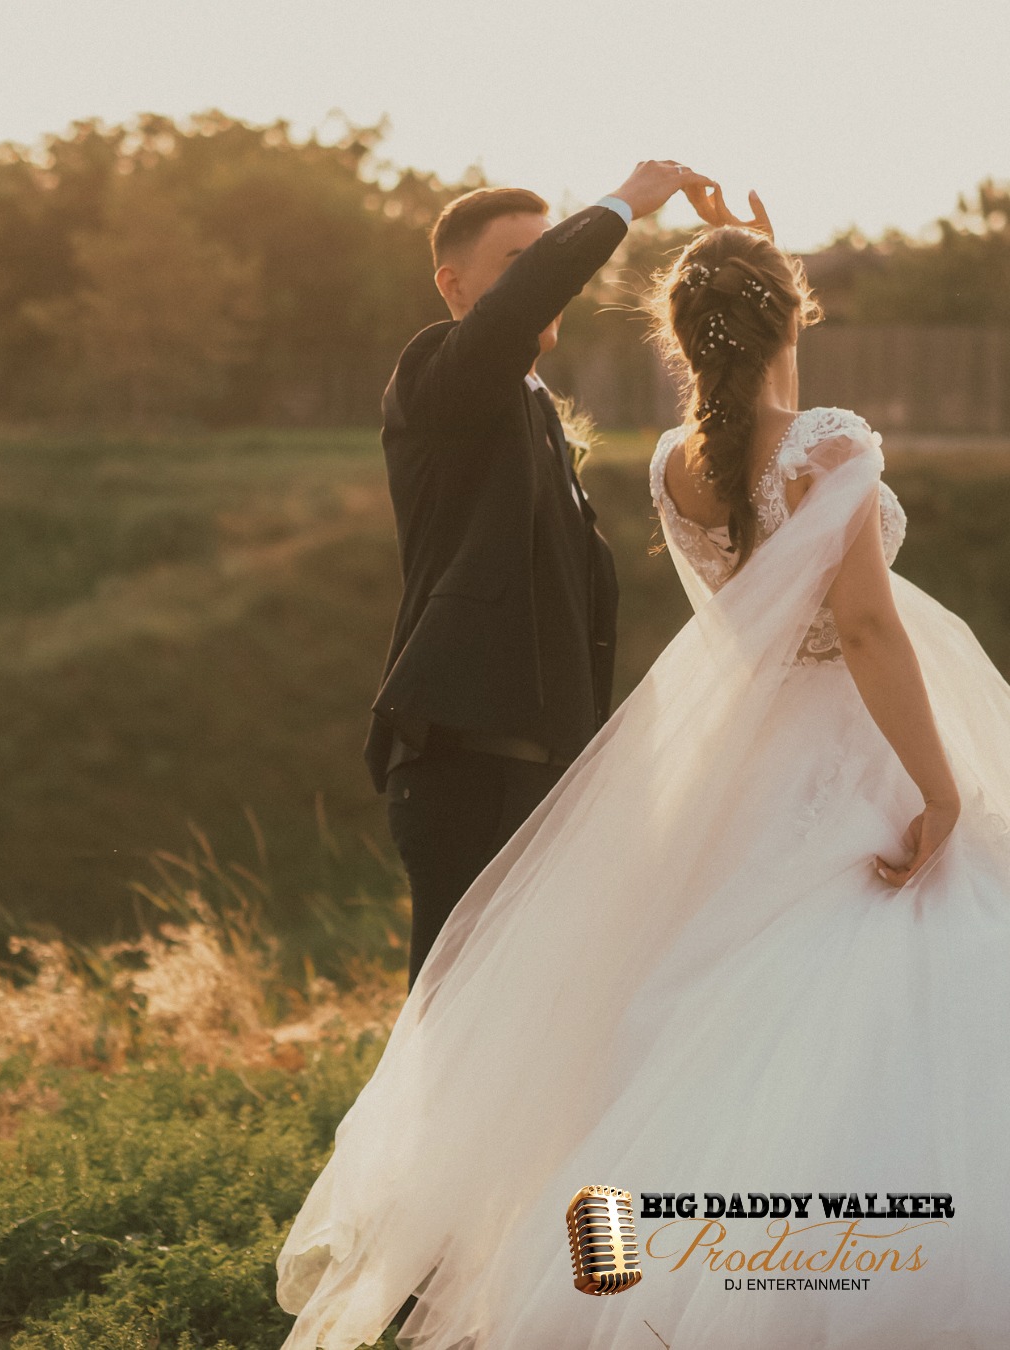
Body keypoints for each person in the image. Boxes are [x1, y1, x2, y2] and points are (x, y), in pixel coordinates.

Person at [275, 197, 1010, 1348]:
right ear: (792, 317)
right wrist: (942, 788)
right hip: (848, 749)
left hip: (742, 765)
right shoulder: (830, 445)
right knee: (872, 996)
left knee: (677, 1027)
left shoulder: (676, 465)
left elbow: (758, 586)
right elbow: (864, 629)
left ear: (679, 336)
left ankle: (608, 1282)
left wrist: (757, 275)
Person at [363, 161, 717, 992]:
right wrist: (623, 206)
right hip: (465, 769)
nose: (544, 276)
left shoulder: (533, 414)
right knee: (453, 1029)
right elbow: (511, 316)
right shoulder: (438, 374)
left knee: (536, 1023)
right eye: (519, 258)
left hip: (541, 778)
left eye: (545, 251)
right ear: (454, 285)